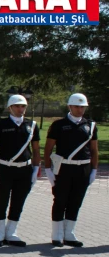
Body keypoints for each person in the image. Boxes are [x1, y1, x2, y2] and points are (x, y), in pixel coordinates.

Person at [44, 93, 99, 247]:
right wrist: (48, 169)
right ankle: (57, 234)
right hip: (64, 168)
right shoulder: (59, 125)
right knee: (60, 200)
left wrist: (94, 169)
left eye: (83, 107)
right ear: (70, 106)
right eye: (77, 106)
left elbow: (94, 150)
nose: (80, 109)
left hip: (83, 168)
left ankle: (69, 233)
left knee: (76, 201)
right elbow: (48, 149)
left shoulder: (91, 125)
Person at [0, 95, 41, 247]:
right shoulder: (1, 124)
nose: (20, 109)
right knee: (2, 201)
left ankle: (11, 233)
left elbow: (36, 149)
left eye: (23, 106)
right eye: (17, 106)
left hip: (25, 169)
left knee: (18, 202)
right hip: (5, 169)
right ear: (10, 108)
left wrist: (36, 168)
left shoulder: (32, 125)